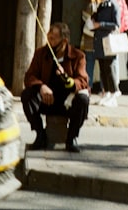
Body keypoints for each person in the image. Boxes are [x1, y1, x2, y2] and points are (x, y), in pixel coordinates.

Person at [21, 22, 90, 153]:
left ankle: (71, 139)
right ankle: (40, 135)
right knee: (27, 95)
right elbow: (29, 76)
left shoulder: (78, 56)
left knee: (83, 100)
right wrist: (41, 86)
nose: (49, 41)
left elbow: (83, 81)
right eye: (49, 37)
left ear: (64, 41)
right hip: (47, 100)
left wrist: (69, 81)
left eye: (53, 38)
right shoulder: (41, 54)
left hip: (67, 103)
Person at [91, 0, 122, 107]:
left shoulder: (113, 4)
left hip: (108, 40)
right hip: (99, 40)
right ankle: (107, 92)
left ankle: (114, 92)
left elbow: (116, 24)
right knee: (103, 68)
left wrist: (101, 24)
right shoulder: (101, 5)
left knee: (110, 68)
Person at [80, 0, 100, 91]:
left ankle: (89, 86)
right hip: (93, 38)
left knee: (90, 63)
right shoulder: (96, 6)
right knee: (95, 63)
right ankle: (93, 86)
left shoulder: (90, 6)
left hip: (89, 39)